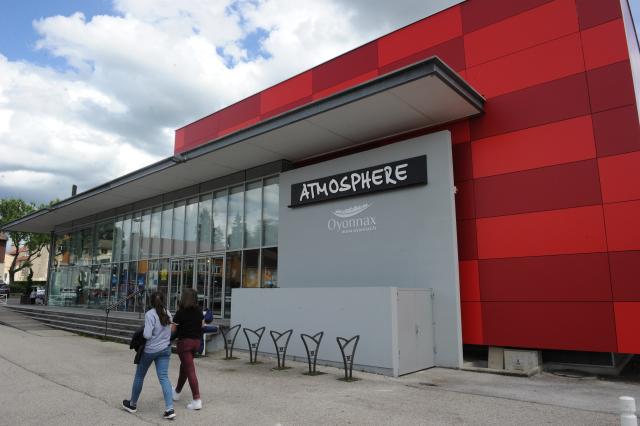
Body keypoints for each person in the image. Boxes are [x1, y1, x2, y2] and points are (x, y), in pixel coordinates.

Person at [122, 292, 175, 420]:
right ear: (164, 300)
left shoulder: (150, 314)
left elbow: (147, 335)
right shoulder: (167, 313)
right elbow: (169, 332)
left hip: (150, 350)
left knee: (139, 376)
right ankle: (169, 409)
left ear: (150, 301)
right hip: (165, 349)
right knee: (164, 377)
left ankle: (132, 404)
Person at [172, 288, 204, 410]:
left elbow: (173, 330)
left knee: (190, 370)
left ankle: (196, 399)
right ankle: (176, 392)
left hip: (185, 344)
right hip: (196, 343)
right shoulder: (198, 311)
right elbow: (202, 325)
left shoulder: (180, 313)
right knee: (184, 368)